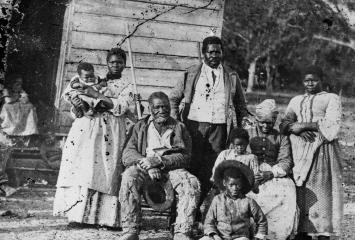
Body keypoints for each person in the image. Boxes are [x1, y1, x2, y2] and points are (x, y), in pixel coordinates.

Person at [53, 48, 137, 228]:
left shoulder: (128, 85)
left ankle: (106, 219)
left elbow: (120, 107)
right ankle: (79, 217)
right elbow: (76, 104)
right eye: (112, 62)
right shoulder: (94, 78)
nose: (115, 65)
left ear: (124, 64)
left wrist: (96, 95)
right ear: (107, 63)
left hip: (111, 130)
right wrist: (78, 105)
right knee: (84, 169)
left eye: (119, 62)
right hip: (87, 128)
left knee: (107, 171)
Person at [169, 36, 249, 206]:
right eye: (210, 52)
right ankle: (179, 214)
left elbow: (241, 106)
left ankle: (196, 211)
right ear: (203, 53)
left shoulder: (231, 76)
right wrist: (177, 123)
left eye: (218, 52)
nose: (214, 55)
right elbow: (174, 99)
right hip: (194, 128)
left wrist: (238, 129)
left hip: (219, 129)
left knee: (210, 170)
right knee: (190, 167)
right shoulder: (191, 73)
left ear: (222, 53)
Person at [118, 92, 200, 240]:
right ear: (150, 108)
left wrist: (159, 161)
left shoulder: (179, 127)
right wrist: (148, 164)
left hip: (170, 168)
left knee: (191, 183)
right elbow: (128, 154)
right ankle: (130, 229)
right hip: (144, 166)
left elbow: (185, 156)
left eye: (165, 107)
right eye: (157, 107)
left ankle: (182, 231)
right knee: (129, 176)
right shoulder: (140, 126)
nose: (162, 110)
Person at [280, 66, 343, 240]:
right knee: (302, 191)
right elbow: (284, 123)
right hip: (298, 151)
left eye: (314, 80)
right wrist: (295, 128)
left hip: (322, 151)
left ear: (322, 80)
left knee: (321, 191)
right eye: (306, 80)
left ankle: (322, 232)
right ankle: (303, 232)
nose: (310, 83)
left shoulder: (331, 98)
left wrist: (304, 125)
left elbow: (332, 125)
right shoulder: (295, 100)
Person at [245, 99, 298, 240]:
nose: (265, 126)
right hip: (250, 171)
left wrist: (271, 173)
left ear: (274, 121)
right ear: (256, 119)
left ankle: (275, 234)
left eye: (269, 123)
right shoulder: (247, 134)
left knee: (287, 190)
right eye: (261, 122)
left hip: (273, 173)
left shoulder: (281, 136)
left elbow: (286, 161)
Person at [201, 160, 267, 240]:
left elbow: (262, 221)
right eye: (231, 185)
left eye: (237, 185)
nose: (235, 188)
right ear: (225, 183)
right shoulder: (217, 200)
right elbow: (209, 222)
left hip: (240, 238)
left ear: (241, 184)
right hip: (220, 237)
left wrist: (259, 236)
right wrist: (215, 235)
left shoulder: (248, 202)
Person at [0, 74, 38, 138]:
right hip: (8, 106)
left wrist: (23, 96)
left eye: (20, 83)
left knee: (30, 107)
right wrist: (18, 97)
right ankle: (10, 129)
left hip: (17, 106)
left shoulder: (21, 90)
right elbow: (8, 100)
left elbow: (26, 99)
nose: (19, 86)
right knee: (8, 109)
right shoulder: (6, 90)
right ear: (12, 83)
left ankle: (25, 130)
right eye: (17, 83)